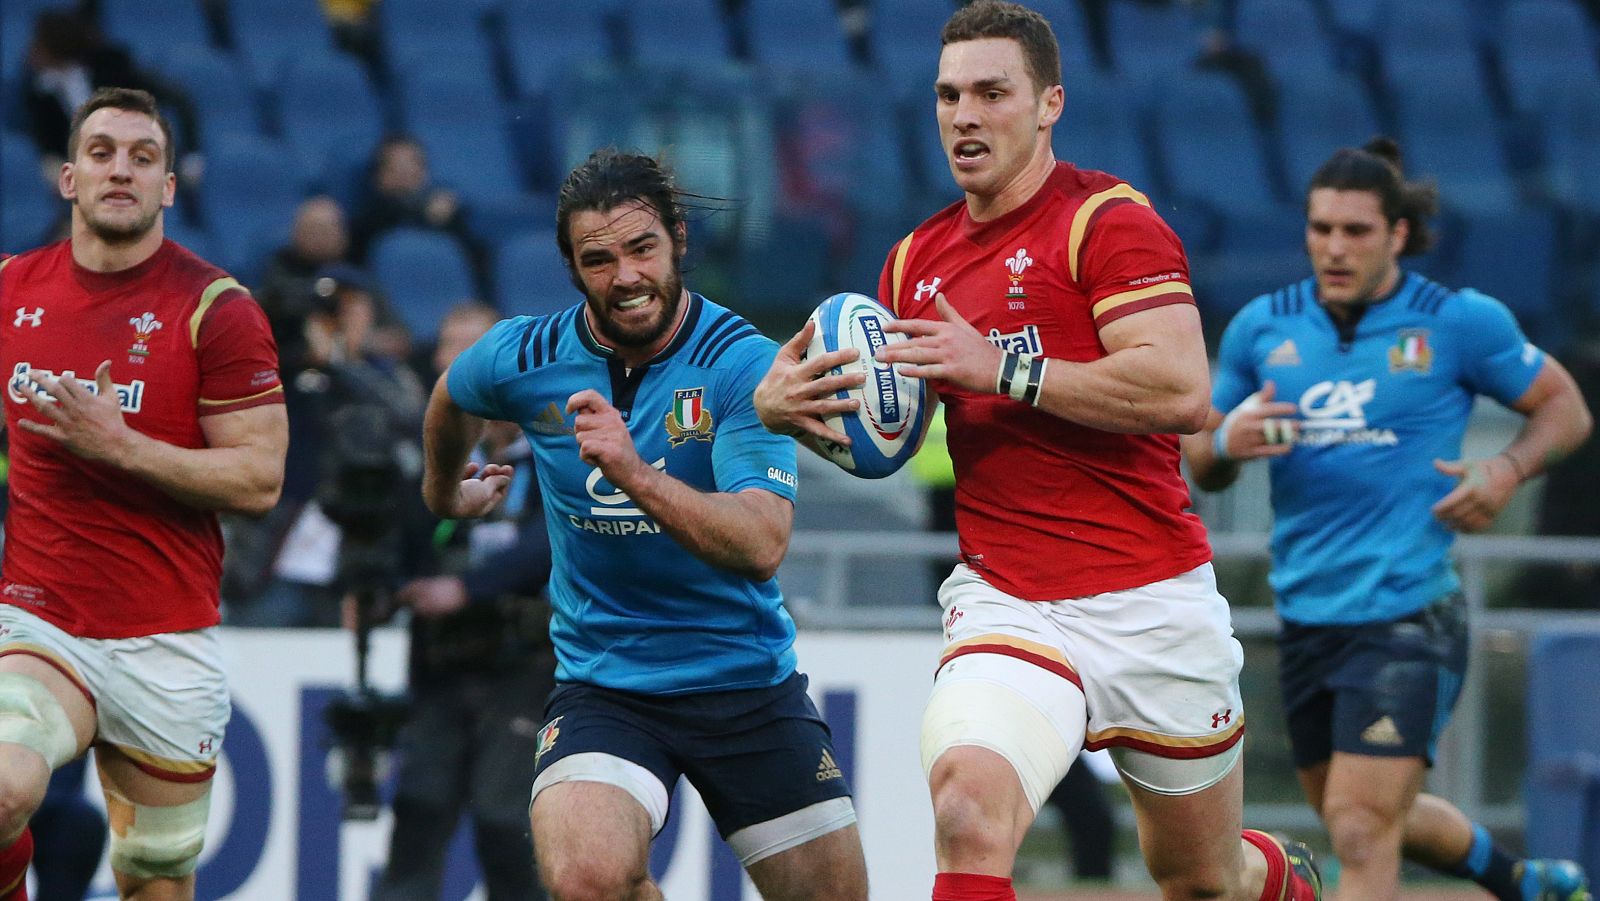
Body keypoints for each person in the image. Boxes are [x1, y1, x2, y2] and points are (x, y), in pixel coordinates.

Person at [754, 3, 1322, 899]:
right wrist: (798, 414)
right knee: (966, 808)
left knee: (1202, 877)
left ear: (1050, 102)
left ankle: (1276, 878)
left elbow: (1180, 392)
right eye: (948, 96)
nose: (964, 116)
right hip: (1007, 598)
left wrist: (1003, 368)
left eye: (991, 92)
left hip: (1150, 597)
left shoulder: (1109, 223)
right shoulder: (914, 262)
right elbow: (889, 442)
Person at [421, 149, 868, 899]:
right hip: (606, 684)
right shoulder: (526, 354)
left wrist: (634, 471)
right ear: (572, 268)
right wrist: (444, 494)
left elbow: (761, 543)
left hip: (745, 680)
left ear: (679, 240)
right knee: (586, 878)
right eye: (598, 259)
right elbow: (450, 397)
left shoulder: (744, 364)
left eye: (641, 248)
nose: (625, 275)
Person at [1181, 138, 1595, 901]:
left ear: (1398, 233)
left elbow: (1565, 406)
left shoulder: (1460, 321)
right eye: (1321, 228)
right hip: (1307, 615)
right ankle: (1524, 882)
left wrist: (1504, 469)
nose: (1334, 247)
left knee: (1361, 826)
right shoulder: (1261, 327)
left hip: (1410, 612)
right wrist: (1227, 442)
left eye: (1356, 231)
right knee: (1363, 813)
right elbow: (1201, 452)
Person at [0, 87, 288, 901]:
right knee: (3, 787)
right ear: (67, 178)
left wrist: (120, 446)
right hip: (39, 617)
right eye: (101, 152)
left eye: (142, 156)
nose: (119, 169)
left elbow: (259, 478)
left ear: (168, 186)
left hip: (166, 636)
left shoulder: (217, 310)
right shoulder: (9, 291)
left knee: (156, 881)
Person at [370, 303, 555, 901]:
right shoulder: (423, 451)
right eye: (449, 345)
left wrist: (468, 588)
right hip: (440, 663)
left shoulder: (557, 446)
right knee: (419, 811)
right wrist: (382, 587)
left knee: (506, 822)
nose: (458, 358)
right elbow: (399, 538)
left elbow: (551, 537)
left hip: (522, 664)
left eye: (473, 344)